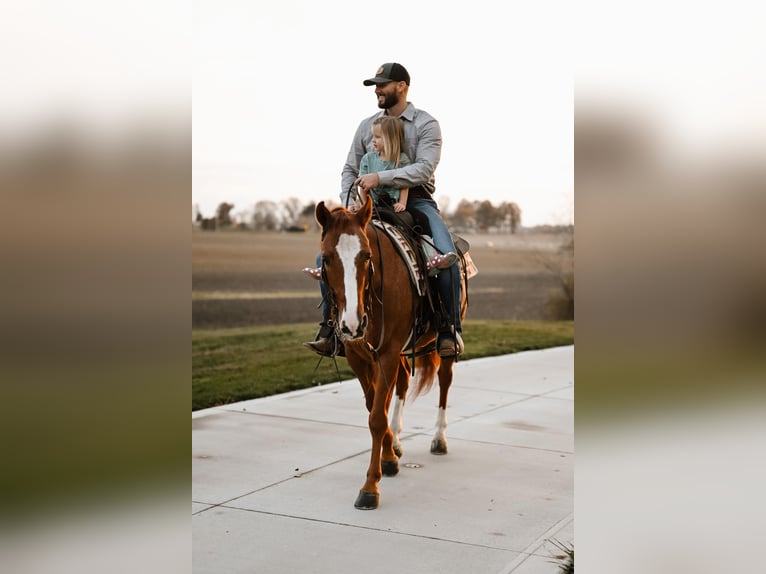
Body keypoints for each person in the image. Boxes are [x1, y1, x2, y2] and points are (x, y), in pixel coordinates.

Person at [304, 62, 464, 358]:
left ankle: (448, 329)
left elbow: (424, 168)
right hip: (368, 206)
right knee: (325, 257)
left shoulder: (426, 124)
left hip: (415, 202)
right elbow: (350, 168)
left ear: (401, 86)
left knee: (447, 257)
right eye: (375, 86)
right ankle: (330, 329)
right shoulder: (367, 126)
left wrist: (381, 178)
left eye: (382, 85)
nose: (377, 90)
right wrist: (351, 200)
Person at [302, 115, 457, 280]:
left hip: (402, 202)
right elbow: (359, 181)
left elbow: (412, 178)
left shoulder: (419, 134)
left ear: (390, 140)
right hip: (373, 205)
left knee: (419, 230)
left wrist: (399, 200)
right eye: (373, 137)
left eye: (377, 137)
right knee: (339, 238)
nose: (372, 140)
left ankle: (431, 257)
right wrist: (355, 205)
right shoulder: (368, 158)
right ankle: (327, 271)